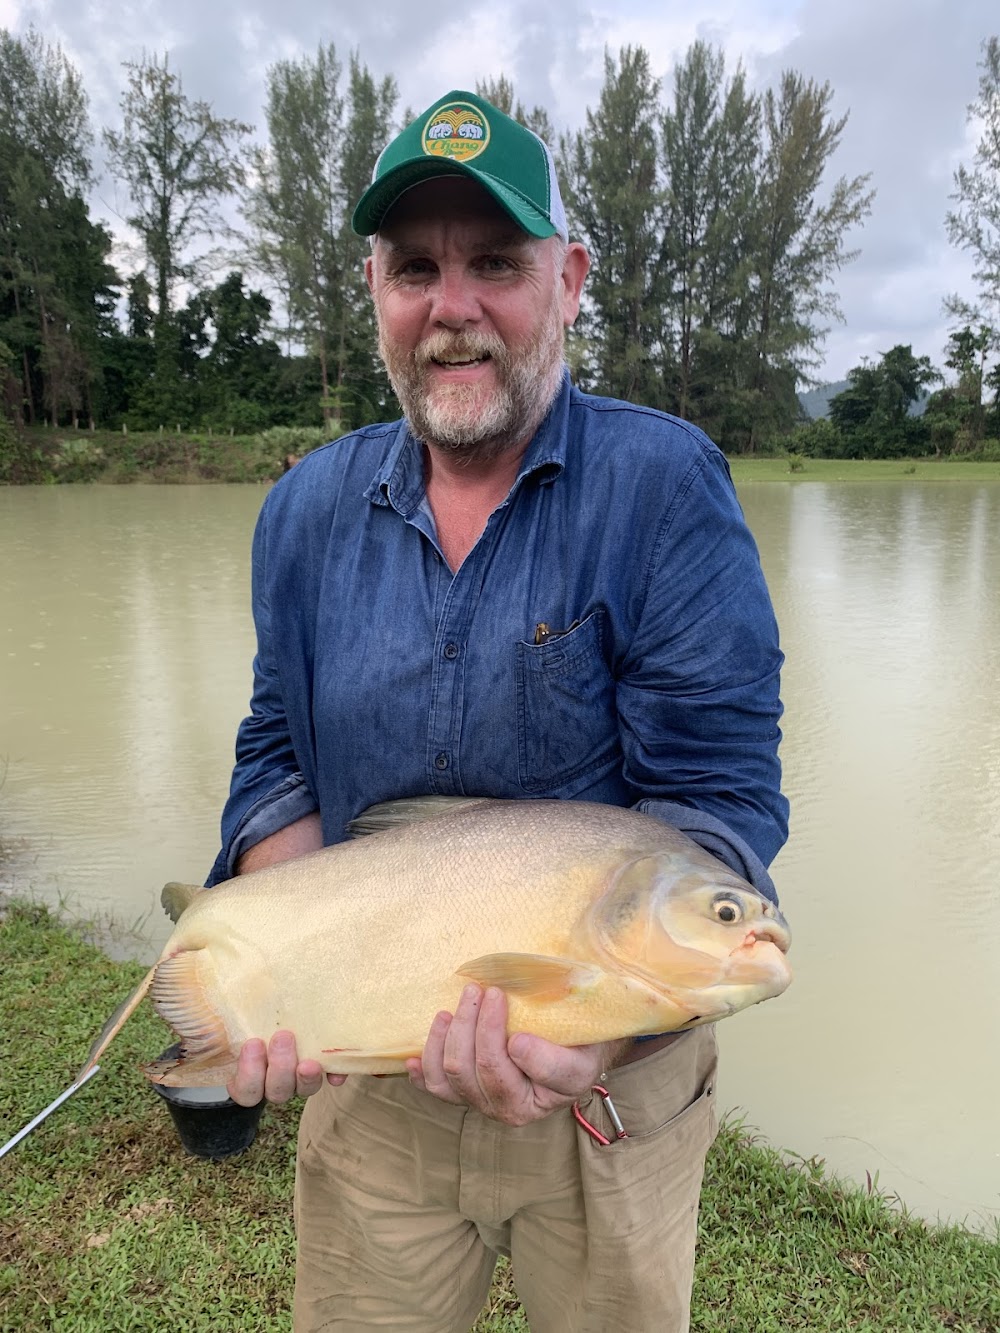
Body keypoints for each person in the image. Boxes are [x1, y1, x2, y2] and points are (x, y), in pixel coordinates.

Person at [208, 88, 788, 1333]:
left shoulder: (666, 485)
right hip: (375, 1090)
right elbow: (276, 750)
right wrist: (279, 960)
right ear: (374, 286)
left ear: (569, 279)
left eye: (495, 265)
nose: (451, 306)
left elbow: (718, 801)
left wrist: (595, 1039)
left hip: (606, 1099)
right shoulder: (302, 510)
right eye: (415, 266)